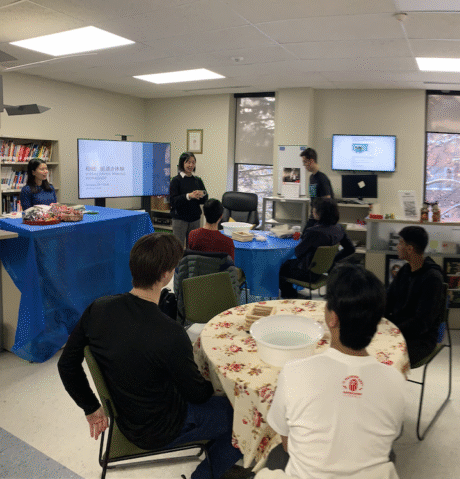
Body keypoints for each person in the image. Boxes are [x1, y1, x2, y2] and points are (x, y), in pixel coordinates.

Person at [57, 233, 245, 479]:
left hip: (125, 418)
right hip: (160, 430)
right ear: (166, 275)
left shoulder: (98, 308)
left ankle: (213, 452)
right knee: (244, 416)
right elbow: (197, 394)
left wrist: (91, 407)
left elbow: (66, 364)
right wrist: (215, 384)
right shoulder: (170, 333)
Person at [264, 264, 405, 479]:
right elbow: (388, 439)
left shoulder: (294, 372)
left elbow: (287, 444)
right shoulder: (396, 380)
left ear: (333, 318)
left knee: (273, 460)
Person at [384, 225, 444, 366]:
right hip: (399, 329)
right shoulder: (405, 269)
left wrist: (393, 330)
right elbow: (388, 299)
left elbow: (422, 323)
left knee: (381, 356)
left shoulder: (432, 278)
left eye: (400, 243)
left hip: (421, 340)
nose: (397, 246)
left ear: (409, 249)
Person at [279, 198, 354, 298]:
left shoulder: (313, 232)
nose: (312, 211)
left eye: (313, 209)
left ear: (319, 213)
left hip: (308, 273)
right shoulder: (339, 228)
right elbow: (351, 249)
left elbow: (298, 252)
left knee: (278, 267)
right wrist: (332, 259)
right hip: (325, 269)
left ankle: (291, 295)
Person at [169, 152, 208, 247]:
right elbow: (173, 201)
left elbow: (205, 199)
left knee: (193, 246)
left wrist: (202, 194)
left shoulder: (197, 180)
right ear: (182, 163)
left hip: (195, 219)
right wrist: (188, 196)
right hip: (180, 220)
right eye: (188, 162)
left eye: (193, 162)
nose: (191, 165)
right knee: (178, 247)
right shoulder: (176, 180)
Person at [300, 148, 333, 229]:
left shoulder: (322, 178)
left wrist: (319, 217)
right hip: (314, 216)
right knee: (305, 235)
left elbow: (327, 199)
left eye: (305, 162)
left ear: (311, 161)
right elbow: (313, 197)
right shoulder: (312, 177)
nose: (304, 165)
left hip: (322, 218)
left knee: (307, 237)